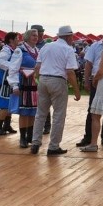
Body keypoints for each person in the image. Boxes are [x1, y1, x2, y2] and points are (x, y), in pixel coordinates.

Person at [30, 26, 81, 156]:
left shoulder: (46, 46)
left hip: (44, 79)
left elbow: (37, 67)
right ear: (69, 37)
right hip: (58, 80)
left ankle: (35, 142)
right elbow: (70, 72)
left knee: (40, 113)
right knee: (58, 115)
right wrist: (76, 90)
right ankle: (53, 146)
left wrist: (38, 79)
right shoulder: (68, 49)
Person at [76, 23, 103, 148]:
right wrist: (86, 81)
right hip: (96, 82)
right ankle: (88, 138)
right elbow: (88, 64)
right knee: (92, 110)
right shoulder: (95, 46)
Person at [8, 29, 40, 148]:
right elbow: (13, 68)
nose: (35, 37)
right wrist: (14, 85)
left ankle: (30, 136)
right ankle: (22, 138)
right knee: (24, 111)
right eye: (33, 35)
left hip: (34, 83)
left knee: (32, 111)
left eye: (36, 35)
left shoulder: (37, 50)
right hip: (23, 83)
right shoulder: (20, 50)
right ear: (26, 37)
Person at [0, 32, 19, 136]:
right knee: (5, 104)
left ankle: (6, 125)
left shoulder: (13, 50)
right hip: (5, 80)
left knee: (10, 103)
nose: (18, 40)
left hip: (9, 79)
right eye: (16, 38)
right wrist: (13, 66)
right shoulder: (6, 50)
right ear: (11, 40)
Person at [31, 24, 52, 135]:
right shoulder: (28, 45)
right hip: (29, 76)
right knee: (32, 101)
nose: (41, 35)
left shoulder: (46, 45)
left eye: (41, 32)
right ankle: (34, 125)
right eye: (39, 33)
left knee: (44, 102)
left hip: (42, 76)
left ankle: (47, 125)